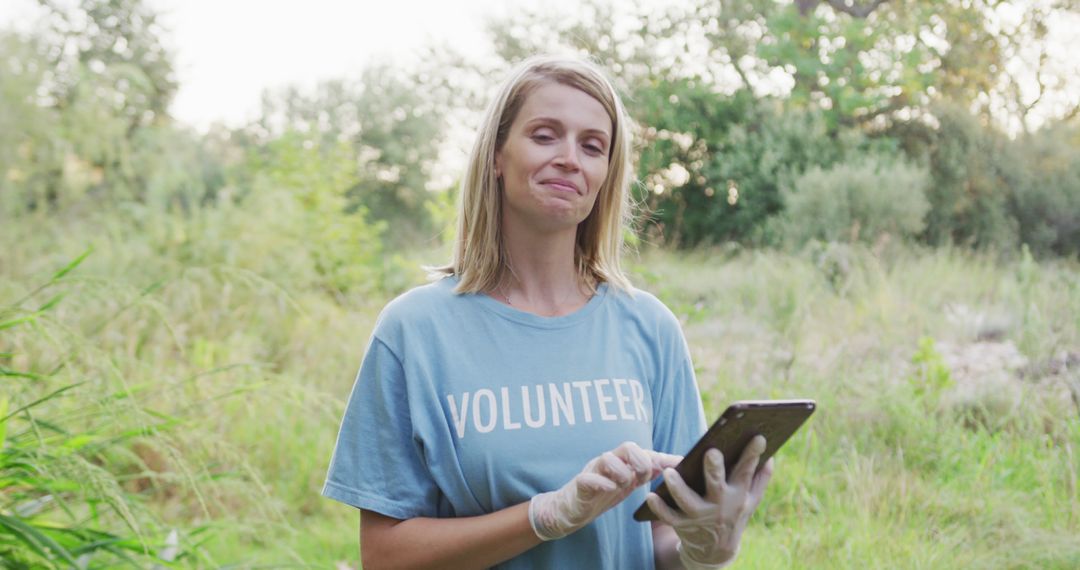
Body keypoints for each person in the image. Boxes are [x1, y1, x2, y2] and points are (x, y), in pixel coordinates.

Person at [322, 54, 774, 569]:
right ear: (496, 155)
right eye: (544, 135)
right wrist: (545, 515)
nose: (569, 158)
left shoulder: (649, 328)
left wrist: (705, 549)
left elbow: (662, 541)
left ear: (607, 173)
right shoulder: (413, 331)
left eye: (592, 146)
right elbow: (384, 557)